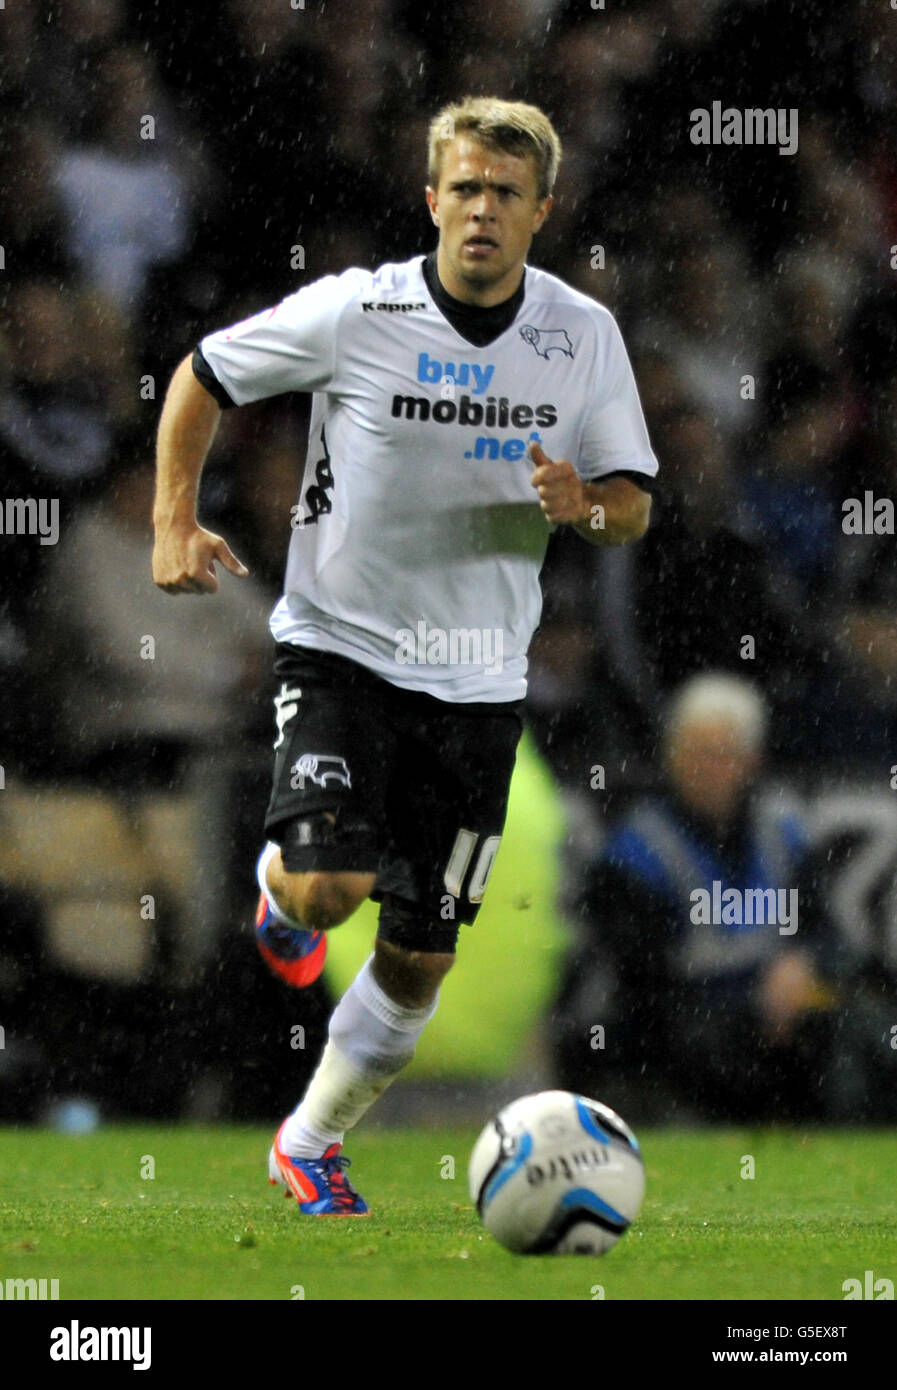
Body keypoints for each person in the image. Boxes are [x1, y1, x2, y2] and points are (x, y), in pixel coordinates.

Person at [152, 97, 657, 1215]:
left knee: (421, 959)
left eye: (505, 195)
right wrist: (171, 521)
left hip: (477, 683)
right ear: (433, 200)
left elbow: (634, 507)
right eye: (464, 190)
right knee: (330, 890)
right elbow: (202, 374)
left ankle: (309, 1139)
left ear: (542, 213)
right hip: (340, 650)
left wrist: (587, 507)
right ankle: (282, 898)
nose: (482, 210)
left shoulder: (584, 337)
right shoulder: (355, 309)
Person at [551, 673, 869, 1122]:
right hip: (680, 1033)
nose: (712, 770)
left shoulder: (782, 833)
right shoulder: (635, 852)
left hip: (778, 1021)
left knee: (851, 1027)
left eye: (726, 755)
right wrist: (745, 1008)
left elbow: (825, 929)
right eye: (699, 754)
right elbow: (640, 979)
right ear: (672, 756)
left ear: (751, 761)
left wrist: (802, 964)